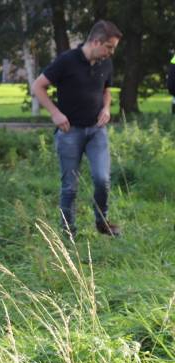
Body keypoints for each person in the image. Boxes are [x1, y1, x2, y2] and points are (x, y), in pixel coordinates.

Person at [32, 20, 123, 238]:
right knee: (70, 187)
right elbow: (37, 86)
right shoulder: (67, 61)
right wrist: (55, 113)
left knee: (102, 179)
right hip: (69, 132)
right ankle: (68, 233)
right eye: (109, 47)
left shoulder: (106, 64)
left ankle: (102, 223)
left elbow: (106, 90)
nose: (111, 52)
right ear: (96, 42)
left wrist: (106, 108)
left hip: (96, 131)